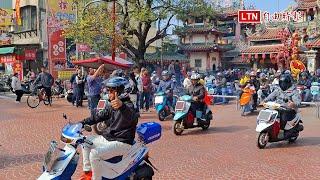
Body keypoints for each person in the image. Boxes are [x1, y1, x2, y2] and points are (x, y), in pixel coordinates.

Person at [80, 77, 138, 180]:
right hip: (109, 139)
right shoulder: (112, 106)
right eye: (108, 90)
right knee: (85, 141)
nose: (109, 93)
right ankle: (88, 171)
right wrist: (80, 123)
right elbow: (98, 117)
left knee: (94, 154)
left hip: (122, 143)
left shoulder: (128, 106)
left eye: (111, 91)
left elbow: (133, 118)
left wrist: (122, 106)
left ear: (120, 92)